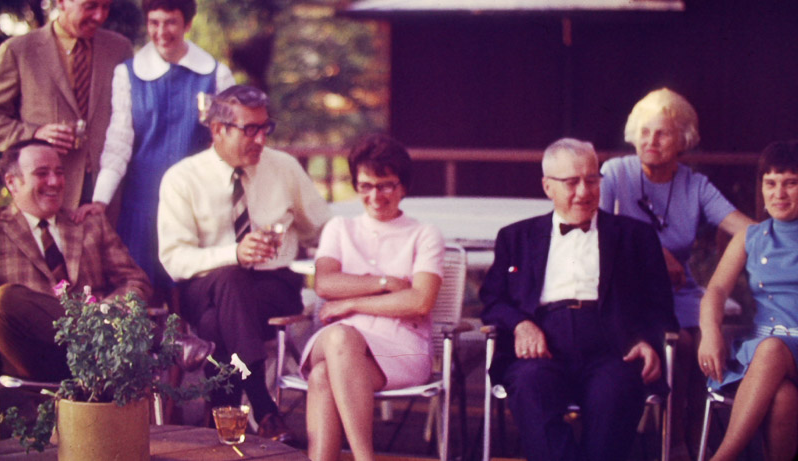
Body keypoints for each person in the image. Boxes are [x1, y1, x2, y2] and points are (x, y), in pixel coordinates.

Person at [480, 137, 678, 461]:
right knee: (529, 386)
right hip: (541, 348)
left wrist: (647, 340)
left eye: (592, 180)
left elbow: (659, 304)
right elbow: (492, 300)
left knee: (617, 394)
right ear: (548, 187)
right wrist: (520, 325)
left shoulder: (635, 236)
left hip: (614, 348)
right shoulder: (516, 237)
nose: (584, 192)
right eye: (572, 182)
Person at [157, 84, 330, 441]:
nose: (261, 139)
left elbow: (321, 229)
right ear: (218, 129)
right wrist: (233, 254)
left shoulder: (283, 168)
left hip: (273, 286)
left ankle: (221, 426)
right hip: (204, 288)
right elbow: (174, 259)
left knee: (216, 323)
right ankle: (263, 407)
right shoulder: (182, 179)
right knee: (230, 281)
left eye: (266, 128)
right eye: (250, 129)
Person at [599, 87, 754, 453]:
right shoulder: (615, 173)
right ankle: (676, 443)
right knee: (680, 344)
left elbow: (745, 228)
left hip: (680, 292)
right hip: (631, 292)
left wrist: (784, 235)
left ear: (683, 140)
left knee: (709, 346)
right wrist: (654, 252)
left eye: (662, 133)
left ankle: (702, 441)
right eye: (644, 131)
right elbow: (596, 233)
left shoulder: (694, 185)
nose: (651, 140)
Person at [77, 0, 235, 303]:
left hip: (197, 203)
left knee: (194, 297)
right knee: (140, 295)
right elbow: (119, 141)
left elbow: (229, 143)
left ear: (187, 24)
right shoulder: (128, 74)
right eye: (154, 22)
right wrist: (101, 200)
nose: (161, 32)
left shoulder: (216, 75)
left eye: (171, 22)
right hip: (142, 204)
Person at [298, 134, 445, 461]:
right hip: (338, 341)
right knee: (340, 337)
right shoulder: (339, 228)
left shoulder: (424, 234)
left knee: (323, 375)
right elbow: (325, 283)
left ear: (404, 186)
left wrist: (351, 302)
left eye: (385, 186)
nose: (375, 196)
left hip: (400, 349)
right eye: (365, 186)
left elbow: (420, 302)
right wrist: (385, 283)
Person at [0, 140, 151, 381]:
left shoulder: (89, 223)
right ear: (12, 182)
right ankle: (164, 343)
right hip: (31, 358)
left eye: (59, 173)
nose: (54, 182)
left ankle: (94, 335)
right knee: (6, 298)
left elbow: (135, 281)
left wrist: (106, 309)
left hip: (100, 356)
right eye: (42, 173)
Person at [0, 0, 133, 211]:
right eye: (90, 6)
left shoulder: (120, 49)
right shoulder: (19, 51)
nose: (100, 16)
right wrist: (33, 134)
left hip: (106, 195)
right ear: (61, 0)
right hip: (45, 192)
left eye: (105, 7)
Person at [697, 140, 798, 461]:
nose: (779, 193)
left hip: (784, 347)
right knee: (784, 397)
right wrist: (710, 332)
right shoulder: (750, 237)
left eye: (791, 183)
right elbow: (716, 291)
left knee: (772, 349)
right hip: (764, 353)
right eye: (771, 183)